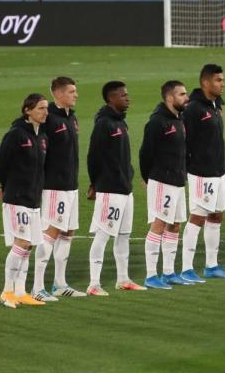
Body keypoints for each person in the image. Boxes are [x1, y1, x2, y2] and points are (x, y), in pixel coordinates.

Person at [86, 81, 143, 295]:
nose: (127, 98)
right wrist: (95, 184)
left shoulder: (121, 122)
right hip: (110, 188)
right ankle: (93, 284)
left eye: (127, 94)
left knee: (124, 235)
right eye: (123, 95)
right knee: (103, 234)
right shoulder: (104, 124)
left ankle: (123, 279)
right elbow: (93, 156)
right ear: (111, 98)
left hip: (125, 188)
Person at [31, 77, 85, 301]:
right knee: (50, 233)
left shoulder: (71, 117)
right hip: (54, 186)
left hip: (71, 185)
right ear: (59, 94)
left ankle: (60, 284)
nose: (76, 95)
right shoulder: (49, 119)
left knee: (67, 233)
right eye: (72, 91)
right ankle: (37, 287)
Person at [0, 94, 49, 309]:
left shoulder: (41, 137)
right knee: (22, 242)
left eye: (46, 108)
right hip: (17, 198)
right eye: (40, 108)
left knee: (29, 245)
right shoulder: (16, 135)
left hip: (33, 199)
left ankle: (20, 290)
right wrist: (7, 186)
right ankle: (6, 291)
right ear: (27, 110)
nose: (45, 112)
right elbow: (1, 164)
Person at [181, 64, 225, 281]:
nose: (223, 83)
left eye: (222, 79)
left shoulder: (215, 105)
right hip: (201, 172)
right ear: (205, 82)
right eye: (218, 80)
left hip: (218, 170)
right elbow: (184, 141)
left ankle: (211, 265)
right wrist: (185, 168)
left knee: (217, 215)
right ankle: (186, 268)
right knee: (197, 217)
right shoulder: (193, 109)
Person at [139, 81, 190, 290]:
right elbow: (145, 153)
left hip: (177, 181)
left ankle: (168, 272)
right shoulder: (157, 122)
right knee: (159, 224)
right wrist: (148, 178)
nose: (186, 98)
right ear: (170, 98)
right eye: (182, 94)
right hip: (162, 181)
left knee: (175, 224)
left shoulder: (179, 119)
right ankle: (151, 275)